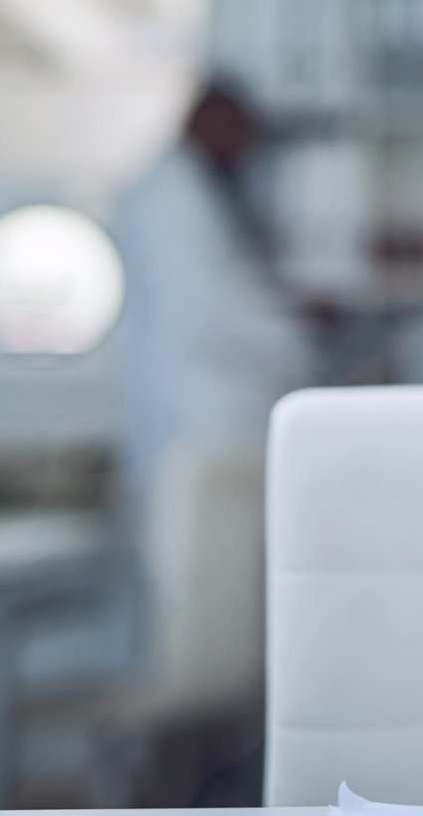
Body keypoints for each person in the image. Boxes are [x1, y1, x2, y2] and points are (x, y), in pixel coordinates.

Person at [111, 81, 316, 519]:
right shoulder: (173, 197)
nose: (245, 149)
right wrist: (296, 333)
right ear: (207, 121)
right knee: (195, 555)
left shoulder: (198, 190)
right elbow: (208, 312)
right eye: (240, 133)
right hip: (199, 411)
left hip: (206, 410)